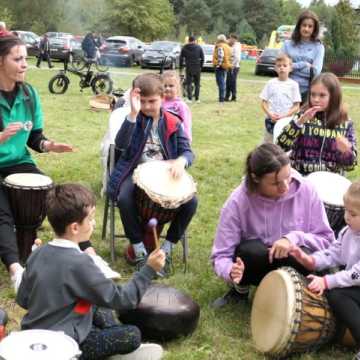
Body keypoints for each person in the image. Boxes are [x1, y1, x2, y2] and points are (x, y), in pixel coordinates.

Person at [16, 183, 165, 360]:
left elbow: (23, 300)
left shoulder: (37, 254)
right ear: (74, 228)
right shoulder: (80, 263)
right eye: (90, 219)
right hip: (64, 347)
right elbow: (124, 299)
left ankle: (108, 338)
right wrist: (148, 270)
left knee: (95, 303)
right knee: (132, 334)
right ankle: (111, 350)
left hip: (32, 337)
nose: (93, 223)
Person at [211, 143, 334, 308]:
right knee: (250, 250)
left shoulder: (306, 189)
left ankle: (295, 295)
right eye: (276, 183)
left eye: (288, 177)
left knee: (301, 252)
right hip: (258, 263)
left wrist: (292, 239)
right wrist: (230, 270)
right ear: (255, 178)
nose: (285, 187)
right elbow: (221, 255)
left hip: (295, 263)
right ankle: (239, 291)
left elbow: (326, 239)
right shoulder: (237, 202)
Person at [0, 35, 73, 291]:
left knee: (59, 199)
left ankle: (83, 254)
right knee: (2, 213)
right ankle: (16, 270)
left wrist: (50, 146)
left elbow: (34, 137)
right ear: (1, 62)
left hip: (19, 162)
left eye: (25, 59)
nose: (24, 65)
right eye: (17, 59)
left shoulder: (29, 94)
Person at [107, 73, 197, 276]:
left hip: (163, 176)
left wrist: (181, 161)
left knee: (191, 203)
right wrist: (132, 113)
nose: (147, 106)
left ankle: (166, 249)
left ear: (163, 98)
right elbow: (120, 144)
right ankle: (139, 251)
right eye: (143, 101)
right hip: (134, 172)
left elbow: (188, 152)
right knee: (124, 197)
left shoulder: (173, 122)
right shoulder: (134, 119)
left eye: (152, 101)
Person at [290, 181, 360, 360]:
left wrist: (327, 281)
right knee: (336, 294)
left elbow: (356, 274)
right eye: (345, 210)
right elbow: (334, 253)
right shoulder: (348, 232)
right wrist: (311, 260)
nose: (346, 217)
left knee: (337, 293)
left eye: (353, 214)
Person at [276, 72, 357, 175]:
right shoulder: (302, 116)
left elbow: (351, 165)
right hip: (302, 177)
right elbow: (280, 147)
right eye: (313, 94)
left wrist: (347, 152)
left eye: (322, 95)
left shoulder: (345, 123)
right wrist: (299, 123)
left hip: (330, 179)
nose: (316, 99)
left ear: (334, 97)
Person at [282, 10, 325, 103]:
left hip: (307, 94)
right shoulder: (287, 44)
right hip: (286, 90)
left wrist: (291, 66)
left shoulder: (319, 47)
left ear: (314, 29)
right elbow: (281, 67)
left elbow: (315, 72)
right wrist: (304, 64)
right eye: (304, 25)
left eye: (310, 26)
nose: (306, 29)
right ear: (299, 26)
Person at [260, 53, 301, 143]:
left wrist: (285, 116)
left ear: (290, 68)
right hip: (271, 120)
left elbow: (296, 106)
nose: (282, 68)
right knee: (268, 145)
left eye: (285, 65)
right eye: (279, 66)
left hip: (286, 121)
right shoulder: (270, 83)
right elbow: (263, 102)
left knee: (283, 146)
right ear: (275, 68)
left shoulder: (294, 85)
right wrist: (270, 114)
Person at [161, 70, 192, 142]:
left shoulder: (181, 106)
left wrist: (187, 142)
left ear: (177, 88)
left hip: (175, 140)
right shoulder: (159, 103)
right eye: (165, 86)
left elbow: (186, 125)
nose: (167, 88)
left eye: (171, 86)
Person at [180, 35, 204, 103]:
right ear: (195, 40)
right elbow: (202, 58)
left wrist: (181, 67)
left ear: (189, 40)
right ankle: (197, 99)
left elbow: (181, 58)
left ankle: (189, 99)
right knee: (197, 84)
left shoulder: (184, 47)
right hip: (197, 67)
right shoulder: (199, 47)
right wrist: (201, 67)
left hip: (189, 67)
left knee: (189, 83)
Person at [212, 34, 232, 104]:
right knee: (223, 82)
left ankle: (221, 99)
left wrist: (218, 65)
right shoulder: (228, 46)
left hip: (220, 67)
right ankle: (222, 97)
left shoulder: (220, 46)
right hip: (226, 66)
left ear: (219, 39)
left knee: (220, 83)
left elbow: (221, 56)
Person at [225, 34, 241, 102]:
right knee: (228, 82)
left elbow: (237, 58)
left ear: (235, 39)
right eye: (229, 38)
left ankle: (233, 96)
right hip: (230, 66)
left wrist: (232, 66)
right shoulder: (231, 45)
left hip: (234, 67)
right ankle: (227, 96)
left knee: (232, 82)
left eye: (231, 38)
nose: (230, 40)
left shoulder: (236, 46)